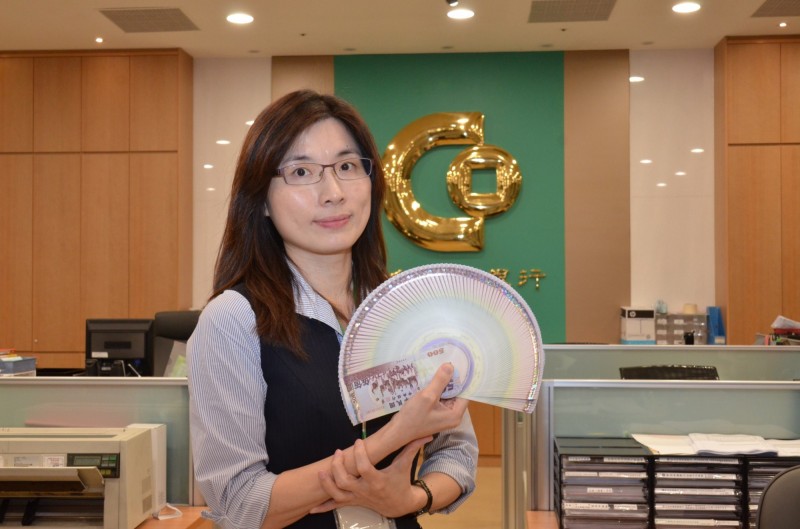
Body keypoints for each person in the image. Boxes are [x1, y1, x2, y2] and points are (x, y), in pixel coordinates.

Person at [188, 89, 478, 529]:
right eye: (301, 172)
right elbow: (240, 504)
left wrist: (412, 498)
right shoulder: (234, 320)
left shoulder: (405, 308)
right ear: (261, 199)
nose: (334, 193)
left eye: (346, 167)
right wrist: (390, 439)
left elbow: (457, 450)